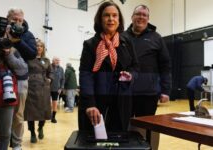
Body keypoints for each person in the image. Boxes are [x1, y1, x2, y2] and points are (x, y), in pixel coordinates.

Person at [79, 1, 138, 132]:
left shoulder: (127, 43)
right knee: (95, 142)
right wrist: (89, 104)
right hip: (96, 103)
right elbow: (85, 75)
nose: (111, 19)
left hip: (121, 103)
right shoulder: (90, 45)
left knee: (118, 141)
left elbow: (135, 67)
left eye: (114, 15)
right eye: (106, 15)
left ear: (119, 19)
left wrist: (131, 75)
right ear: (100, 19)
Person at [123, 4, 171, 150]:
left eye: (144, 15)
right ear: (132, 17)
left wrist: (165, 90)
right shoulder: (121, 37)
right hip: (125, 92)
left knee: (148, 128)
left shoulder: (156, 38)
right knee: (125, 126)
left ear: (148, 19)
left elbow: (165, 65)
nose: (141, 17)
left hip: (148, 94)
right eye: (138, 14)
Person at [0, 8, 37, 150]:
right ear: (8, 18)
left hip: (19, 77)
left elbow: (32, 54)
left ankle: (17, 144)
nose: (18, 22)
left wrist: (17, 41)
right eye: (14, 19)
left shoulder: (27, 34)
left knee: (18, 115)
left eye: (20, 20)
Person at [0, 25, 28, 150]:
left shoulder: (11, 50)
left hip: (7, 96)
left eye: (3, 36)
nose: (0, 39)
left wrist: (8, 54)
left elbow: (23, 69)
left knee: (6, 133)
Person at [24, 39, 53, 143]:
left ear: (43, 48)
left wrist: (50, 79)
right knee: (31, 111)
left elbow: (51, 72)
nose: (39, 47)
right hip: (31, 87)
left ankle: (40, 127)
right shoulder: (28, 59)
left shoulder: (46, 60)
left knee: (44, 110)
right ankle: (32, 132)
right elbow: (23, 70)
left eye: (41, 46)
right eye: (37, 45)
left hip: (43, 87)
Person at [50, 57, 65, 123]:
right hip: (47, 88)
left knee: (55, 103)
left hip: (56, 89)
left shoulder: (61, 69)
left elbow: (63, 79)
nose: (58, 61)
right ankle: (46, 116)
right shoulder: (49, 67)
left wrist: (61, 88)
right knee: (47, 103)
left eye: (58, 60)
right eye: (56, 60)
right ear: (52, 61)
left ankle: (53, 117)